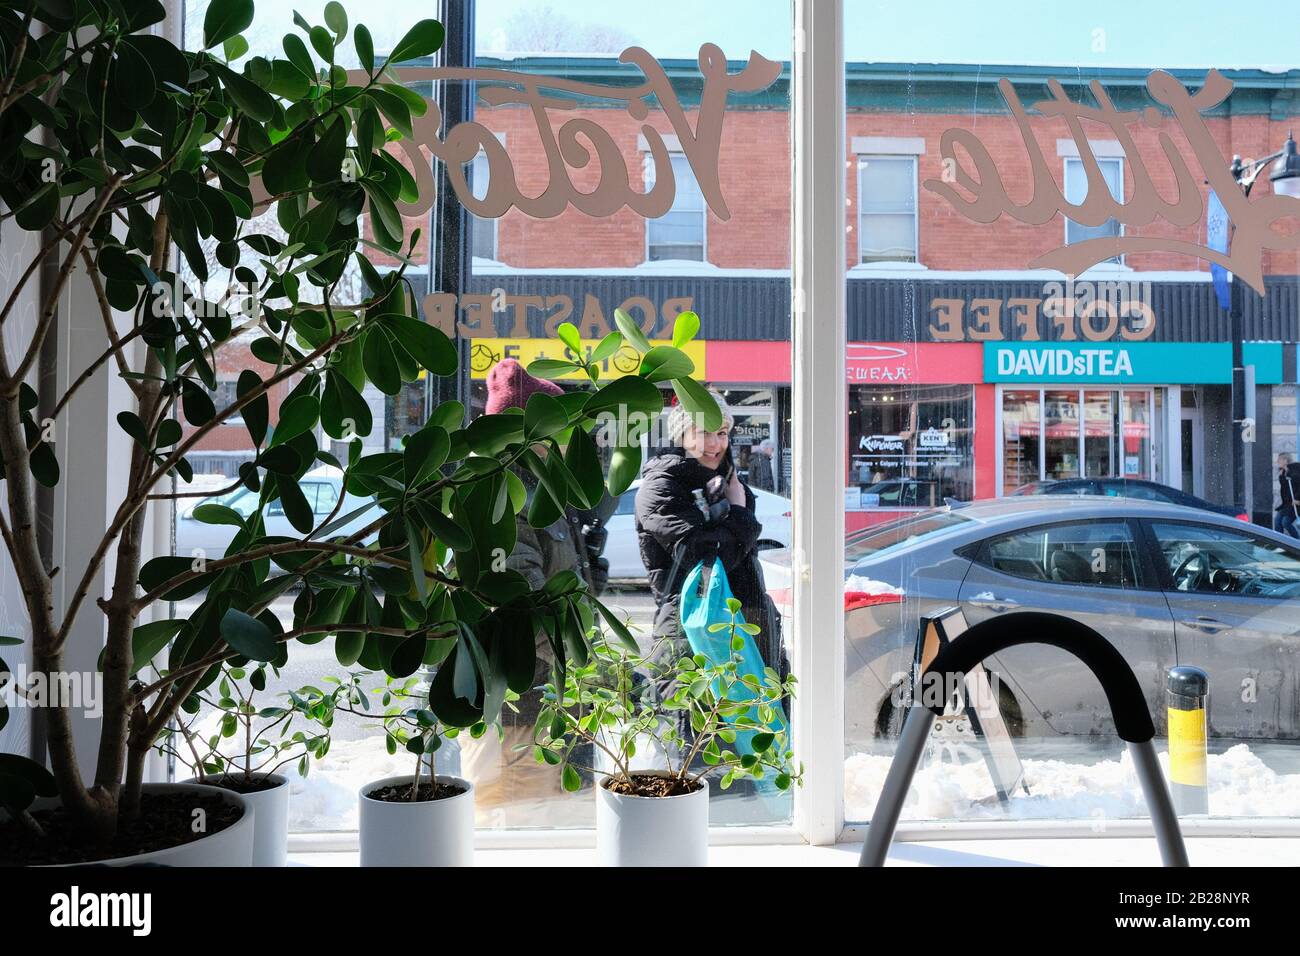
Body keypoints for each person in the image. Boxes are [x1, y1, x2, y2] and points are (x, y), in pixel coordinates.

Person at [457, 359, 610, 823]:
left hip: (544, 700)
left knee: (548, 827)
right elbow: (523, 604)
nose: (564, 441)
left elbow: (554, 586)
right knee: (519, 829)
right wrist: (585, 669)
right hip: (520, 708)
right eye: (556, 429)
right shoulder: (504, 492)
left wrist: (588, 572)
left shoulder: (540, 489)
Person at [634, 390, 786, 738]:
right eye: (703, 431)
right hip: (692, 637)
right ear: (681, 434)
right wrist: (739, 513)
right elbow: (705, 559)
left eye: (722, 433)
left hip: (743, 633)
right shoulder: (662, 486)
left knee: (758, 758)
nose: (714, 443)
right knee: (705, 760)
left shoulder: (723, 483)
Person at [1276, 453, 1300, 538]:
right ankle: (1279, 542)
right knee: (1277, 521)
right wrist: (1282, 476)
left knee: (1285, 522)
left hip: (1296, 503)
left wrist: (1298, 499)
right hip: (1287, 503)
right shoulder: (1284, 473)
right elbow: (1285, 490)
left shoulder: (1296, 472)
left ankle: (1297, 542)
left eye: (1279, 460)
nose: (1277, 462)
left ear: (1285, 461)